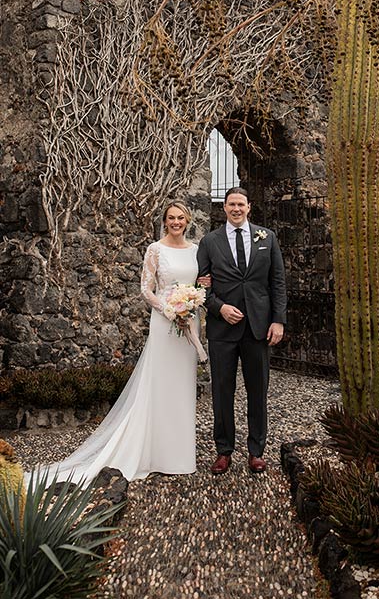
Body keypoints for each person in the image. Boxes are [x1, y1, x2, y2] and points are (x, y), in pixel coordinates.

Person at [29, 201, 210, 485]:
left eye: (181, 218)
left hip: (188, 323)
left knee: (183, 386)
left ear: (187, 221)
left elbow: (198, 283)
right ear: (164, 221)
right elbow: (145, 289)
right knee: (161, 385)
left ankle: (180, 455)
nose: (176, 222)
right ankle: (155, 454)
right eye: (171, 218)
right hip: (165, 322)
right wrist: (168, 309)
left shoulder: (196, 250)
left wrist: (197, 295)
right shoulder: (155, 249)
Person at [197, 187, 286, 475]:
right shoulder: (210, 241)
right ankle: (224, 451)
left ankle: (256, 451)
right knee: (222, 392)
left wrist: (278, 320)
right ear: (224, 208)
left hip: (258, 328)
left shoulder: (267, 237)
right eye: (231, 204)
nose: (236, 209)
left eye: (241, 204)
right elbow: (201, 286)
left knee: (257, 390)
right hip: (222, 329)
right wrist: (219, 308)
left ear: (249, 207)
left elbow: (278, 283)